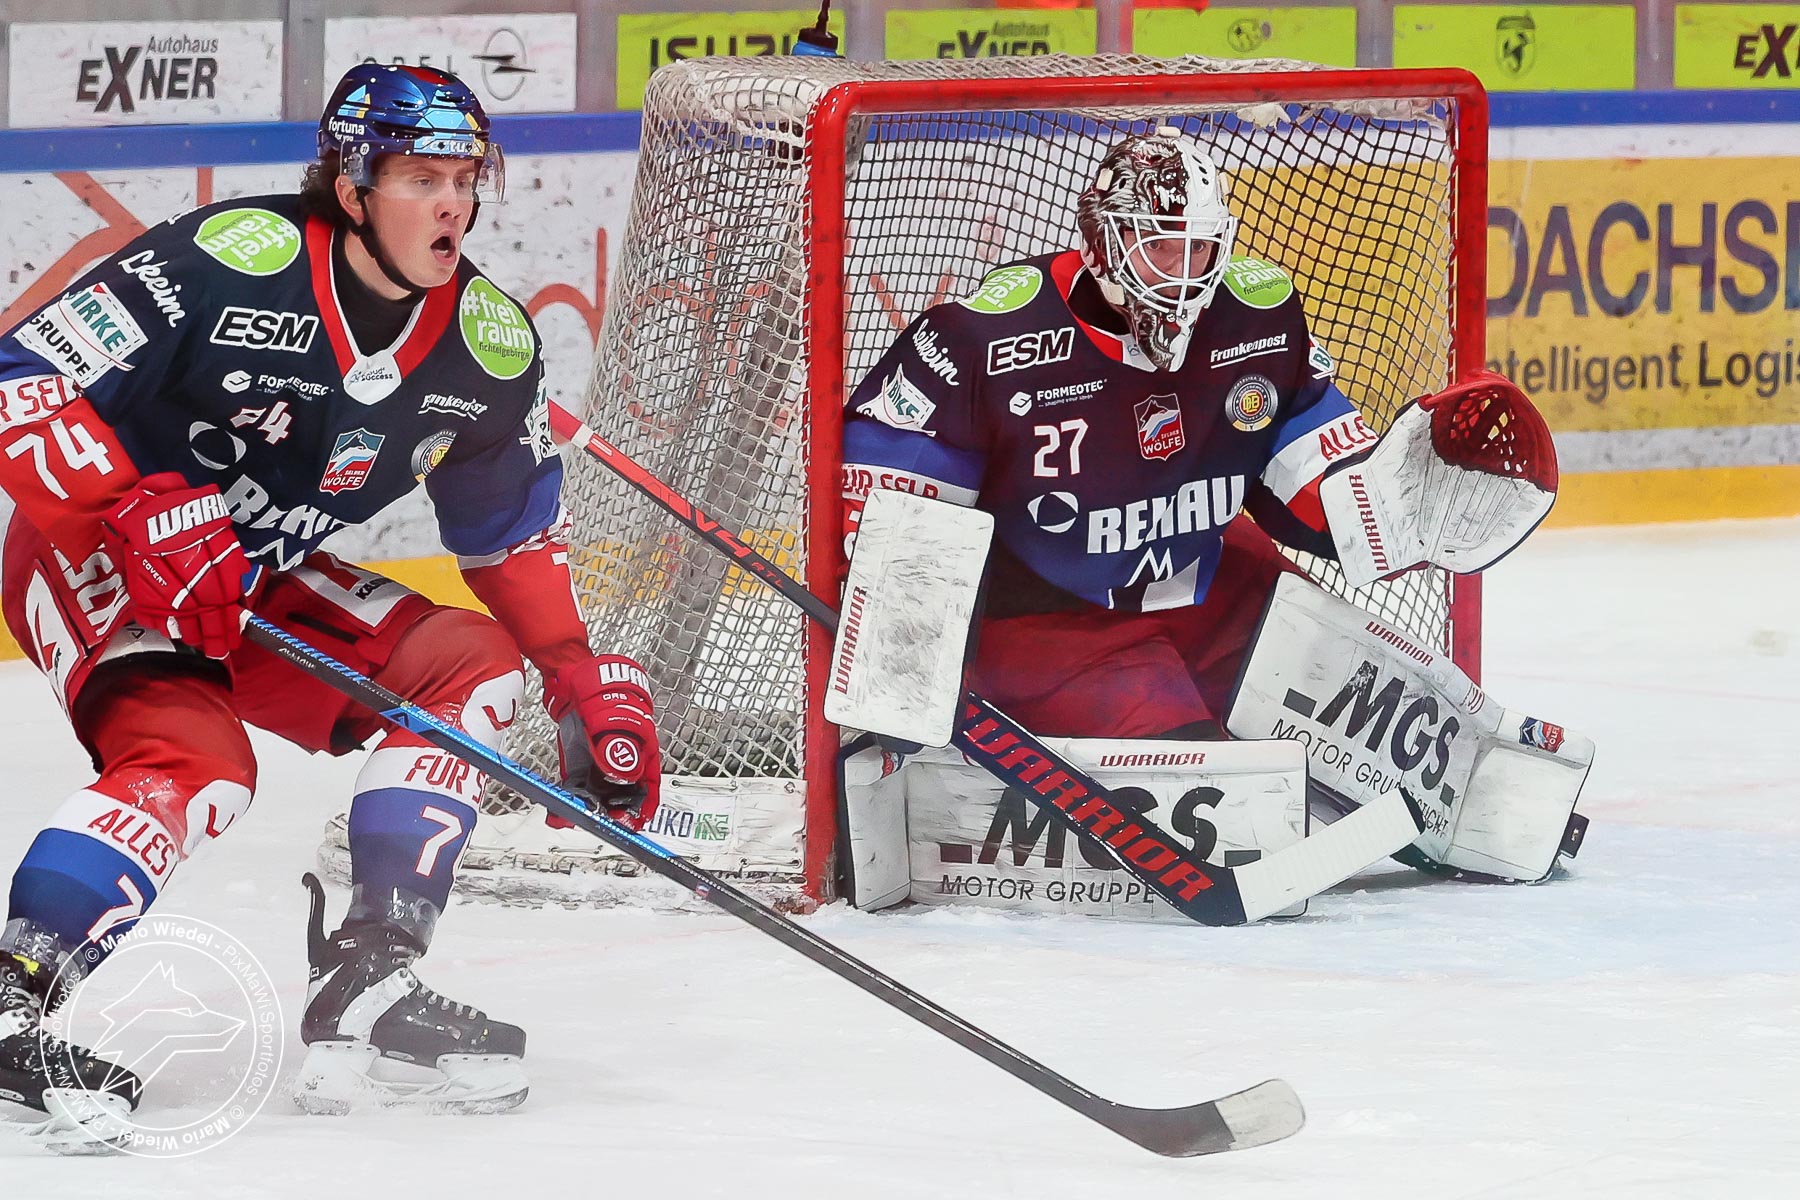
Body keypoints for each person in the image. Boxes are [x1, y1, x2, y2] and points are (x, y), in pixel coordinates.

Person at [0, 64, 658, 1128]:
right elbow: (21, 377)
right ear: (351, 189)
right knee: (199, 765)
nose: (452, 204)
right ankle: (13, 993)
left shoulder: (486, 348)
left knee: (473, 668)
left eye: (465, 178)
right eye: (421, 179)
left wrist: (573, 669)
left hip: (248, 575)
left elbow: (508, 536)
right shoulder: (229, 260)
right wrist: (124, 506)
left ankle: (370, 977)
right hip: (99, 548)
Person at [839, 128, 1576, 886]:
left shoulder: (1258, 318)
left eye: (1199, 248)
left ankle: (1493, 811)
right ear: (1102, 242)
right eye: (1161, 247)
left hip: (1210, 586)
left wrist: (1397, 502)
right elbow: (893, 527)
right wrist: (902, 689)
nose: (1185, 273)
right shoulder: (985, 338)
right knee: (1236, 806)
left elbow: (1316, 489)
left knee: (1386, 698)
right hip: (1055, 626)